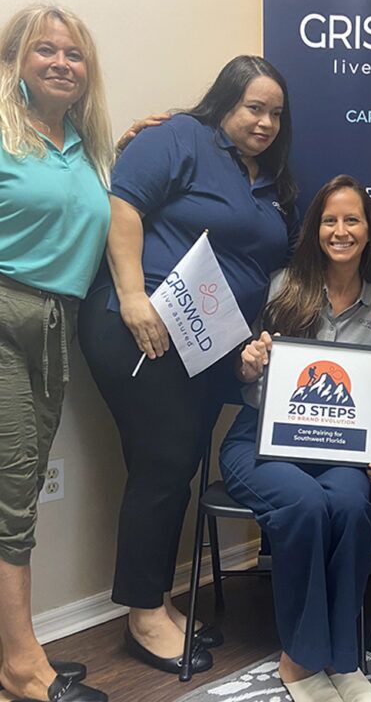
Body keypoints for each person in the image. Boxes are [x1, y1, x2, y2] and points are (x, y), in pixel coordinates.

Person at [78, 55, 300, 675]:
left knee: (174, 467)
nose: (264, 121)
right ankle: (143, 615)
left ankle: (156, 601)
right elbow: (123, 206)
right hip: (143, 327)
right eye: (253, 107)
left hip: (206, 344)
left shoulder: (266, 179)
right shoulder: (177, 136)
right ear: (224, 101)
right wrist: (130, 297)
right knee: (165, 463)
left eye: (275, 113)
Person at [219, 175, 371, 702]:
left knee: (349, 504)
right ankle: (298, 661)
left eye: (352, 219)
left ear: (368, 231)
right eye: (330, 219)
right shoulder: (280, 286)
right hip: (260, 443)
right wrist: (248, 365)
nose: (340, 230)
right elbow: (243, 370)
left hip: (339, 452)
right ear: (316, 228)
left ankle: (343, 659)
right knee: (303, 504)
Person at [0, 5, 111, 702]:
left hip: (55, 323)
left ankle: (19, 650)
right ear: (16, 60)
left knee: (22, 488)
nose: (62, 63)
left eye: (74, 54)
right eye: (46, 51)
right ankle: (19, 666)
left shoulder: (84, 145)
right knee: (13, 495)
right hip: (6, 314)